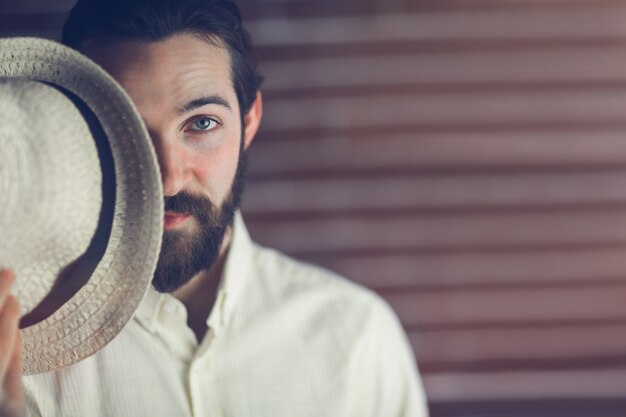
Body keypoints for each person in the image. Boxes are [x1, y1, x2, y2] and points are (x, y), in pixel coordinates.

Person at [0, 0, 428, 415]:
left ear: (249, 121)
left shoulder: (357, 338)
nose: (168, 177)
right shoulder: (19, 360)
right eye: (124, 128)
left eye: (201, 123)